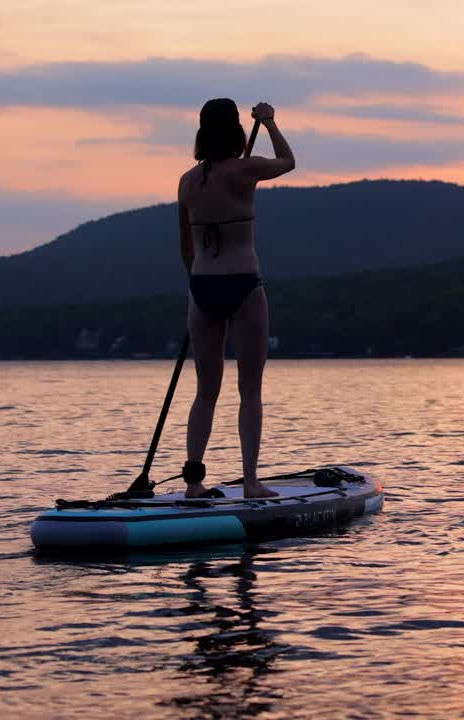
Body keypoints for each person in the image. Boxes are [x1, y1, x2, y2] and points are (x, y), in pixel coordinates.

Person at [177, 99, 294, 498]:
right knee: (250, 389)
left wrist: (196, 289)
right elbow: (288, 160)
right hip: (243, 285)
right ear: (235, 132)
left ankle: (194, 483)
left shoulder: (188, 182)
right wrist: (270, 121)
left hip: (202, 288)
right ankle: (249, 482)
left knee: (205, 391)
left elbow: (185, 249)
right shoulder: (245, 169)